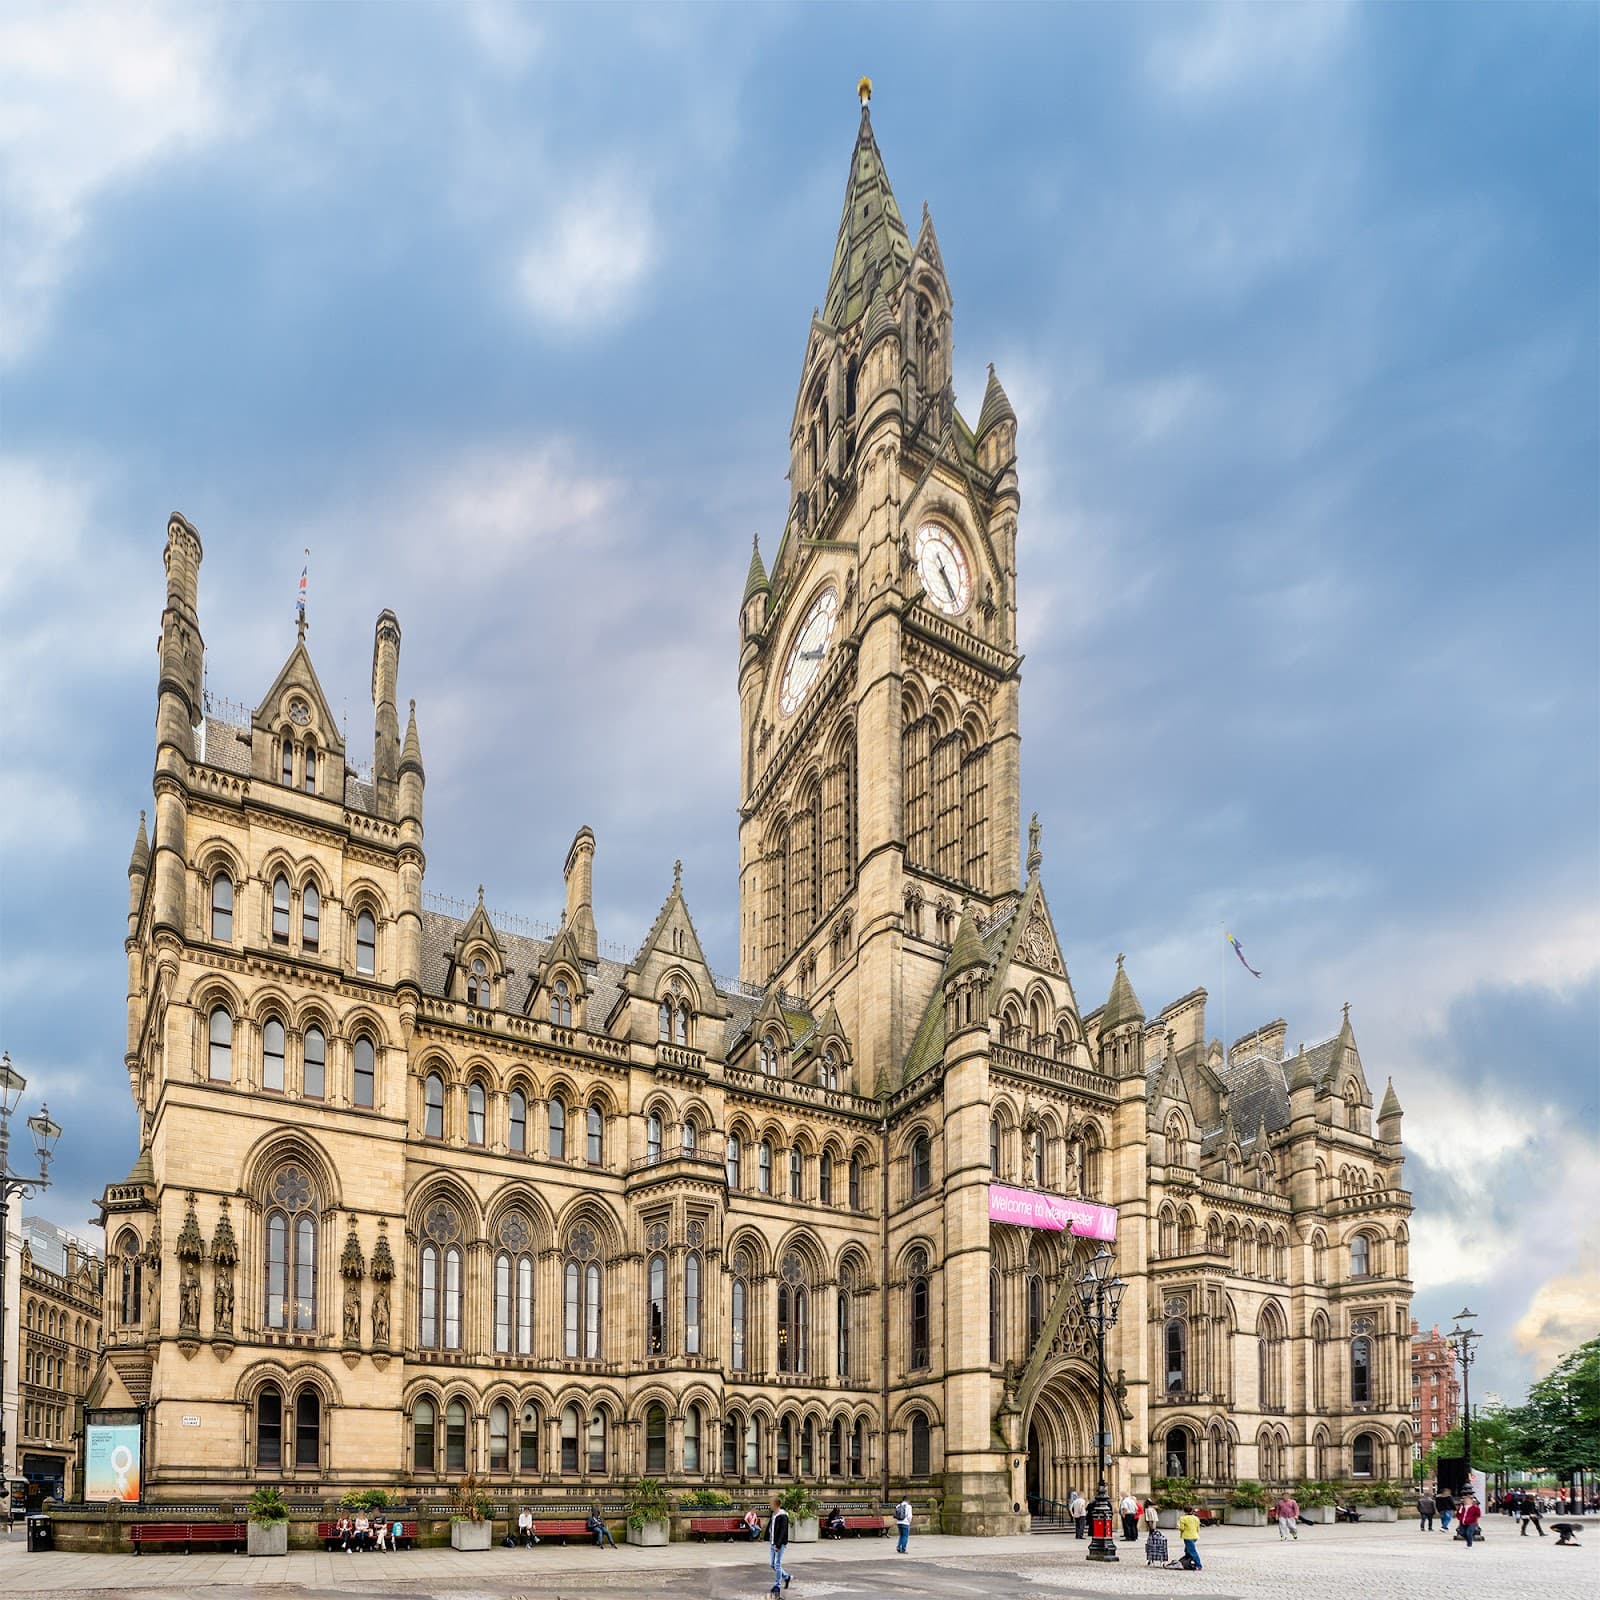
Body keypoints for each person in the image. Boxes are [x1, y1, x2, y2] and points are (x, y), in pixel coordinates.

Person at [767, 1495, 793, 1596]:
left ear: (775, 1505)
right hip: (773, 1542)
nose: (770, 1506)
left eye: (771, 1504)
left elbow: (783, 1531)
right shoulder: (773, 1514)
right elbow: (772, 1528)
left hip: (779, 1543)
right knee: (772, 1564)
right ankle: (786, 1577)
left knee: (777, 1564)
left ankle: (777, 1585)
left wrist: (778, 1545)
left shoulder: (783, 1516)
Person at [1177, 1506, 1203, 1571]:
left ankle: (1198, 1565)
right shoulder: (1196, 1518)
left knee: (1192, 1551)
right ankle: (1187, 1562)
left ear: (1184, 1511)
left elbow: (1182, 1528)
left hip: (1187, 1536)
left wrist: (1179, 1527)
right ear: (1191, 1511)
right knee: (1187, 1550)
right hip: (1195, 1536)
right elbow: (1198, 1528)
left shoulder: (1183, 1518)